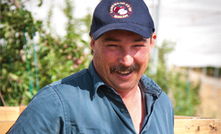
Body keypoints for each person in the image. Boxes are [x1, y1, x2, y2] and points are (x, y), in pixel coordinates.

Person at [7, 0, 174, 133]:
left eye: (137, 46)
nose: (126, 60)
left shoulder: (160, 104)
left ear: (152, 42)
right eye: (113, 46)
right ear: (93, 43)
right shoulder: (56, 103)